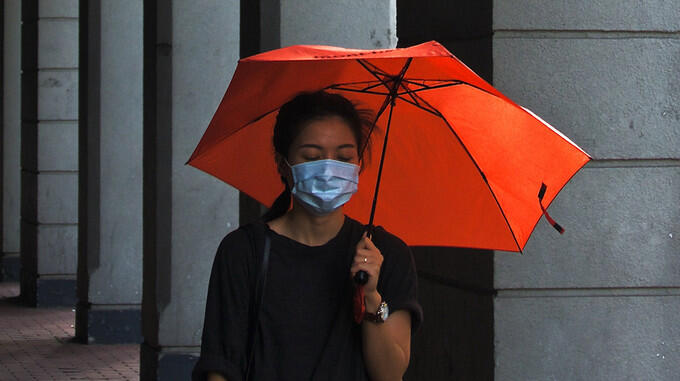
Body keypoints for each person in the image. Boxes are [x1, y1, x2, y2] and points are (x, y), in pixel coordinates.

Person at [192, 91, 423, 381]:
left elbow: (390, 374)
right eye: (312, 156)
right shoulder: (243, 251)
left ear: (359, 164)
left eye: (343, 157)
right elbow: (221, 365)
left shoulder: (386, 254)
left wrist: (371, 297)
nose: (328, 169)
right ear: (282, 163)